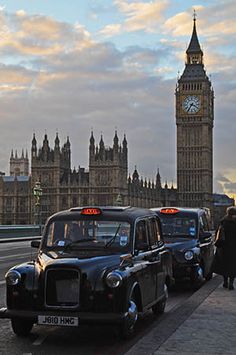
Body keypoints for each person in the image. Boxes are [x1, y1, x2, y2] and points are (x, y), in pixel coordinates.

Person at [212, 206, 236, 290]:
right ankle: (231, 283)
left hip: (223, 248)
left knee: (224, 265)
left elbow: (217, 234)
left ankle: (225, 281)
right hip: (233, 248)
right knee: (233, 266)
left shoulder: (222, 222)